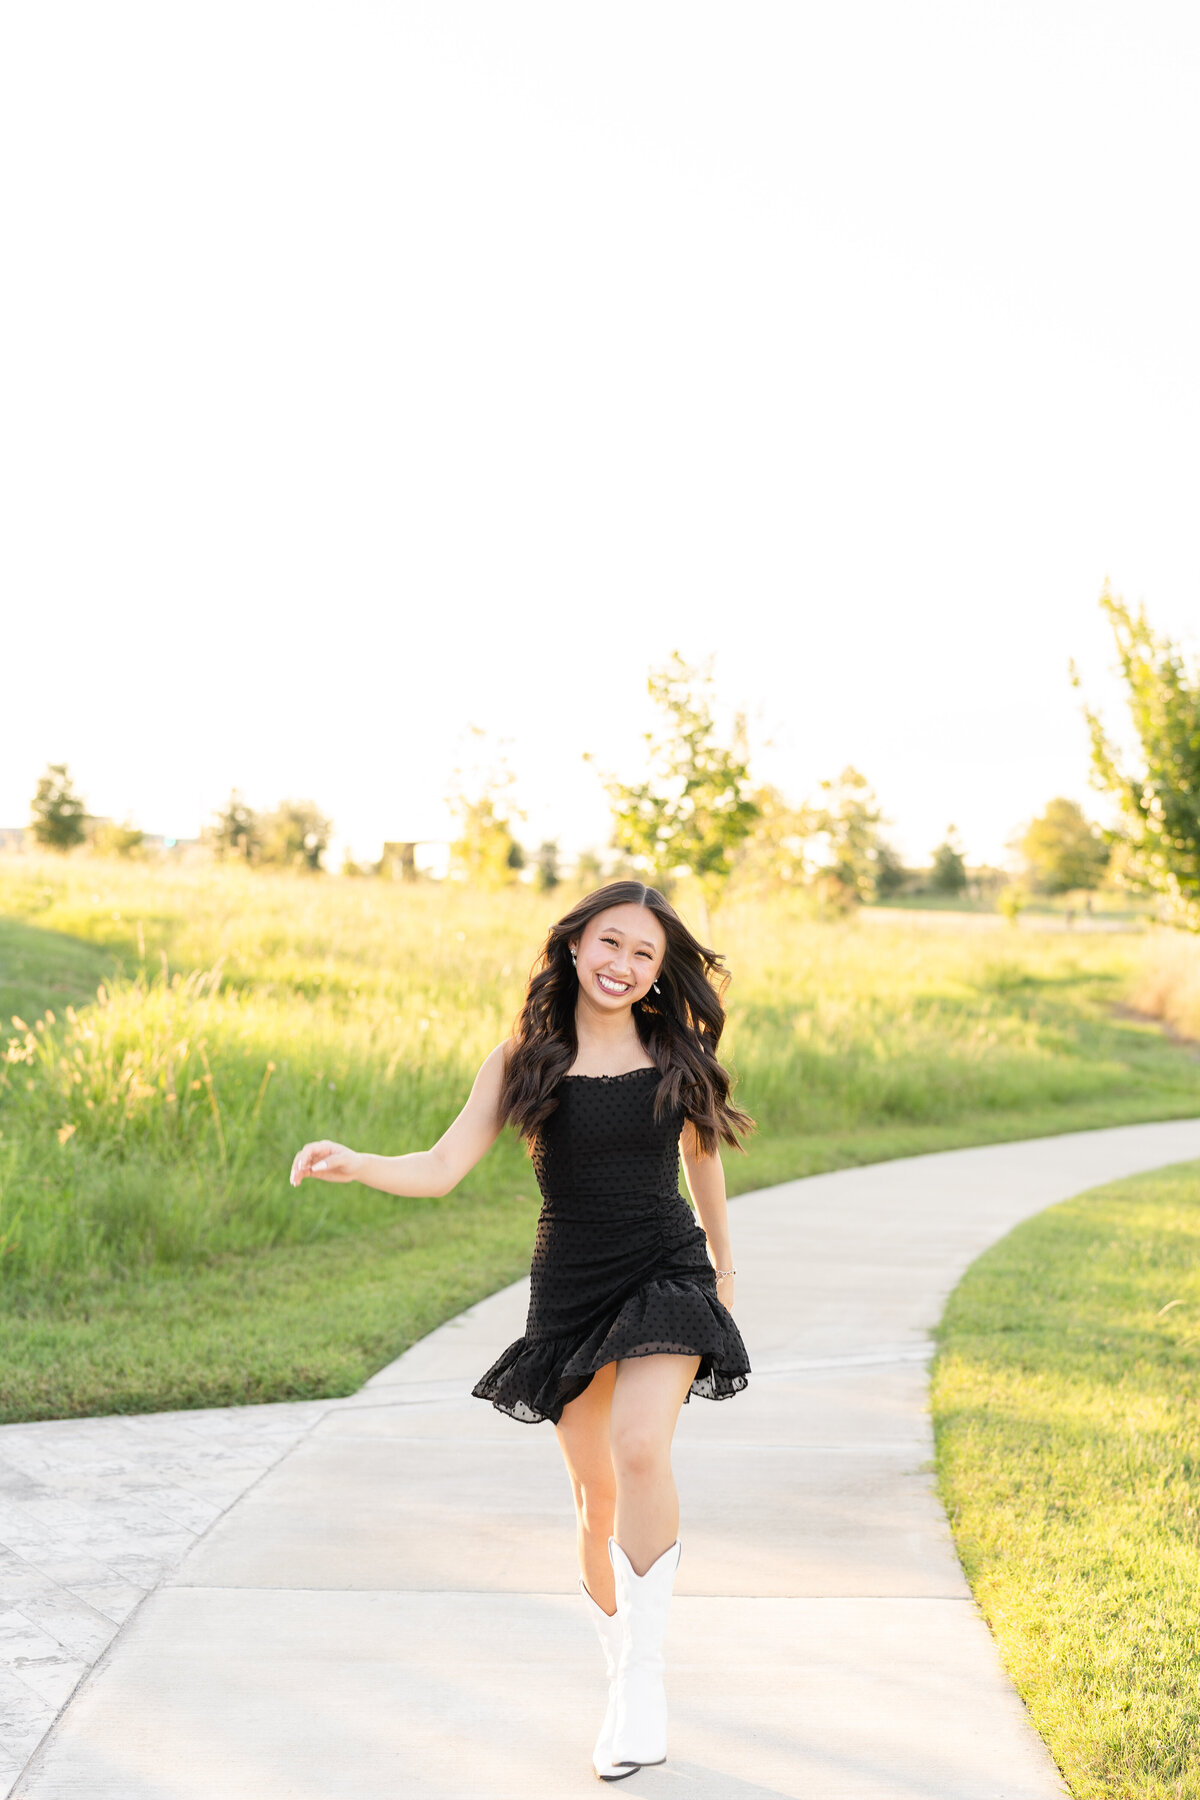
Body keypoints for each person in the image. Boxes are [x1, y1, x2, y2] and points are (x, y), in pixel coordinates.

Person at [290, 879, 753, 1781]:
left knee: (640, 1451)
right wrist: (358, 1163)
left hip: (665, 1270)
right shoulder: (520, 1062)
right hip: (572, 1286)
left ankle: (646, 1685)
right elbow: (440, 1165)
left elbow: (704, 1165)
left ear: (660, 973)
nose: (623, 964)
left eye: (644, 954)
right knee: (595, 1502)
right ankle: (619, 1681)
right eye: (610, 943)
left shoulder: (674, 1053)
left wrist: (723, 1276)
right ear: (576, 946)